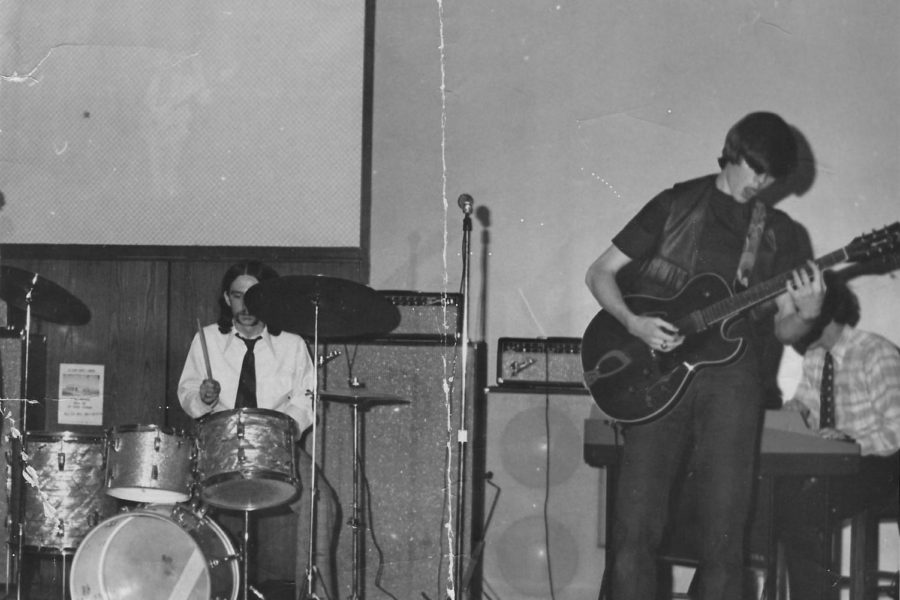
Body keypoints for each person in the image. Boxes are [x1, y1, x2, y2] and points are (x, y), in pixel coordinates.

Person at [584, 111, 826, 599]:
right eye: (754, 169)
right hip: (656, 375)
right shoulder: (676, 205)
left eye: (771, 177)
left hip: (733, 381)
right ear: (731, 152)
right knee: (635, 533)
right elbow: (599, 273)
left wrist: (811, 311)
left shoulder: (779, 231)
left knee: (725, 542)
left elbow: (785, 326)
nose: (760, 183)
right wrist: (635, 323)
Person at [178, 260, 339, 599]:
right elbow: (187, 392)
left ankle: (315, 596)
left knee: (320, 502)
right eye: (237, 297)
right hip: (217, 442)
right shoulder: (206, 338)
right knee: (182, 507)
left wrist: (283, 431)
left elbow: (308, 398)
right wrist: (203, 398)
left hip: (276, 443)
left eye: (254, 297)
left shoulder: (292, 343)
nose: (246, 307)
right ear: (226, 298)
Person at [776, 272, 900, 600]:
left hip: (883, 465)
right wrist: (796, 412)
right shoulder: (816, 357)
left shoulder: (875, 352)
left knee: (804, 505)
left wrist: (848, 442)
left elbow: (897, 432)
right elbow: (808, 407)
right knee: (779, 497)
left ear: (825, 312)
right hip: (839, 466)